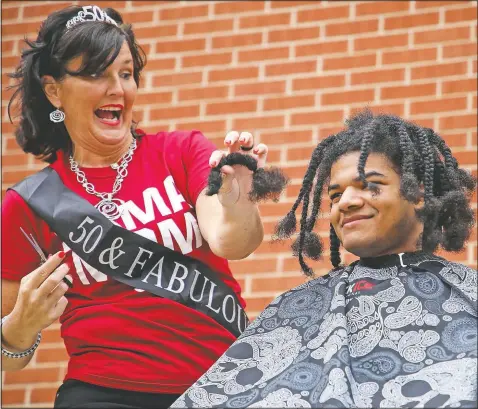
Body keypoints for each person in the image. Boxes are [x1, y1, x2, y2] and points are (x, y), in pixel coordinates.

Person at [0, 5, 281, 408]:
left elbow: (231, 241)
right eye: (96, 73)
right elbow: (5, 351)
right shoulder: (29, 203)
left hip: (223, 383)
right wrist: (19, 329)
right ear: (54, 90)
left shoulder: (181, 152)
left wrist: (237, 203)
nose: (118, 89)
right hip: (103, 393)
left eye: (126, 73)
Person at [171, 109, 477, 408]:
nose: (345, 203)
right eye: (335, 195)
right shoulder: (295, 309)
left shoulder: (469, 293)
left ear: (417, 193)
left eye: (369, 185)